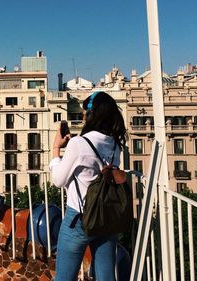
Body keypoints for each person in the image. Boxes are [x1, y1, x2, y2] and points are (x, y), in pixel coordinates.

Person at [50, 91, 127, 281]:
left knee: (64, 277)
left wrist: (56, 150)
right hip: (106, 218)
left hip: (80, 218)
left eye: (85, 112)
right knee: (106, 277)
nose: (83, 116)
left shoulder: (78, 143)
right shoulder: (115, 144)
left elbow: (58, 180)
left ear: (92, 114)